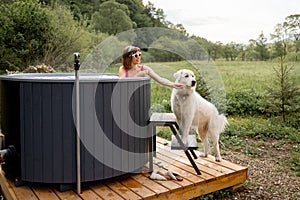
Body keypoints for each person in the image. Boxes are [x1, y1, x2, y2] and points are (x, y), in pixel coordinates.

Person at [118, 46, 184, 89]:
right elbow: (122, 84)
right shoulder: (123, 69)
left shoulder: (144, 68)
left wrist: (173, 85)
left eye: (139, 54)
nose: (138, 57)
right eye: (135, 55)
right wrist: (139, 75)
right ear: (128, 57)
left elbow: (160, 79)